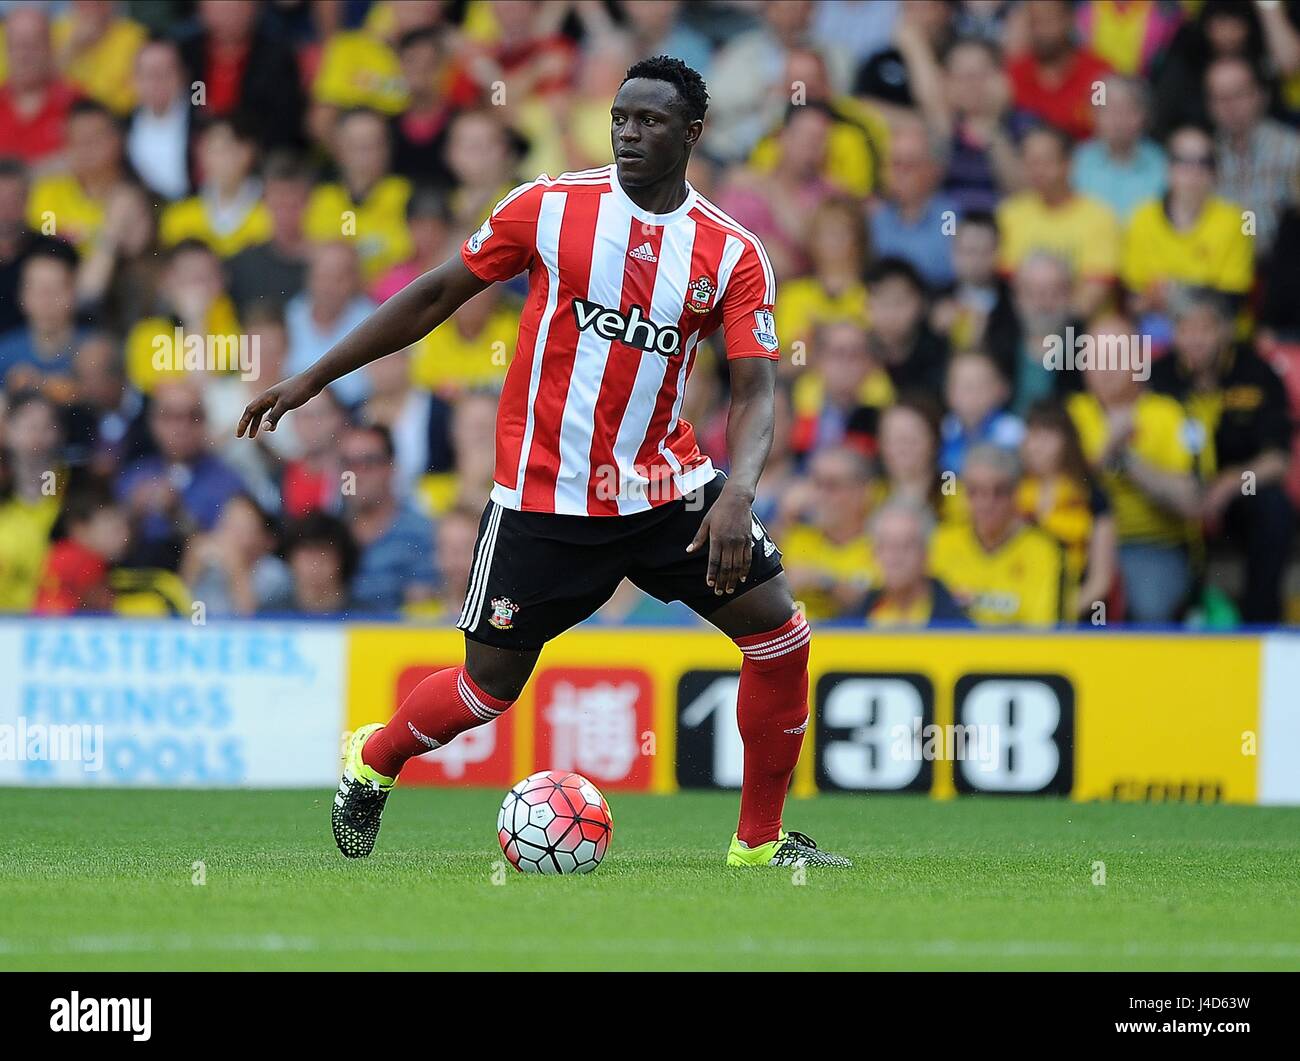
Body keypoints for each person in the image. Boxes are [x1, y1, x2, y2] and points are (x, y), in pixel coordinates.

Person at [239, 55, 851, 870]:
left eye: (652, 122)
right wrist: (314, 376)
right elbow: (433, 296)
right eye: (622, 118)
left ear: (693, 134)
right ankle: (375, 756)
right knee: (485, 690)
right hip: (545, 496)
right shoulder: (550, 207)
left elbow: (755, 390)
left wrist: (737, 491)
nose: (631, 133)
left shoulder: (731, 254)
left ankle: (759, 843)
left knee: (780, 636)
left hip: (669, 489)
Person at [1150, 289, 1293, 623]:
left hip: (1239, 491)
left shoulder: (1258, 373)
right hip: (1175, 493)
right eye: (1185, 329)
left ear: (1226, 331)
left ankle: (1262, 622)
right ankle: (1176, 621)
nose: (1195, 340)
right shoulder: (1158, 376)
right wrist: (1182, 490)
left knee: (1274, 509)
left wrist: (1231, 484)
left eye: (1205, 329)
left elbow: (1278, 458)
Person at [930, 443, 1067, 626]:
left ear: (1015, 493)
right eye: (975, 491)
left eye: (999, 492)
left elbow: (1046, 633)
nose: (986, 503)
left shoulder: (1044, 551)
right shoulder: (941, 541)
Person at [858, 498, 970, 628]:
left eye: (906, 545)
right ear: (873, 554)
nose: (895, 557)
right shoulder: (852, 623)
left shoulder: (958, 626)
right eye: (885, 546)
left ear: (926, 554)